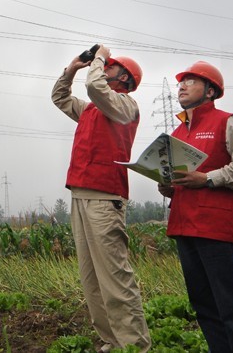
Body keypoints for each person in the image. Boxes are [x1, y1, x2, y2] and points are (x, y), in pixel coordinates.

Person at [158, 61, 233, 353]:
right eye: (181, 82)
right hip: (184, 226)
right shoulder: (177, 133)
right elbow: (183, 178)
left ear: (210, 91)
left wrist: (206, 178)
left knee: (232, 305)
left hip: (216, 228)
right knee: (204, 306)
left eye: (191, 81)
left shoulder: (227, 122)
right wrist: (169, 188)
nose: (182, 86)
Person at [52, 44, 151, 353]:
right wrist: (71, 69)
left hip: (106, 199)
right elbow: (60, 97)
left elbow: (95, 86)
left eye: (110, 65)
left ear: (125, 78)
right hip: (80, 195)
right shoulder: (91, 110)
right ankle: (112, 340)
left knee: (114, 277)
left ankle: (134, 346)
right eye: (105, 63)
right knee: (92, 278)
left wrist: (98, 56)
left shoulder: (125, 106)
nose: (104, 67)